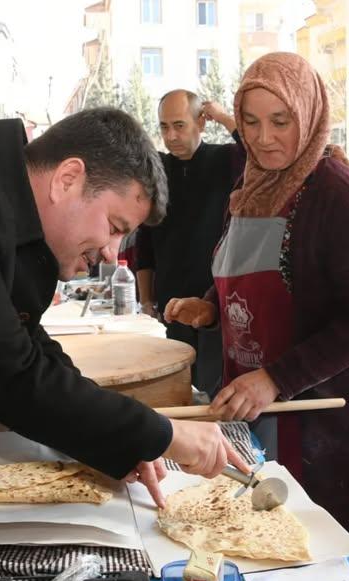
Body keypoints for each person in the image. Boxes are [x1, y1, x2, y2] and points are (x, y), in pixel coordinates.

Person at [0, 108, 249, 559]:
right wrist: (164, 434)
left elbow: (30, 343)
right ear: (68, 178)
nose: (111, 253)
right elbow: (10, 374)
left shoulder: (0, 207)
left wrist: (124, 441)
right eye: (113, 228)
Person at [164, 53, 349, 564]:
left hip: (321, 407)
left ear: (309, 116)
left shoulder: (341, 196)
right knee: (259, 536)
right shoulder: (251, 187)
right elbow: (247, 270)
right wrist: (209, 307)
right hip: (254, 397)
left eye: (280, 121)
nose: (263, 137)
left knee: (318, 548)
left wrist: (275, 378)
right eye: (250, 121)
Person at [136, 90, 245, 396]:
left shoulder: (226, 160)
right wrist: (147, 301)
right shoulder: (157, 170)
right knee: (177, 392)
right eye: (163, 126)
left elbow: (255, 148)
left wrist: (224, 117)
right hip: (170, 309)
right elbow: (146, 241)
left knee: (214, 391)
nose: (170, 135)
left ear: (201, 122)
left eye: (179, 125)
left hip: (216, 307)